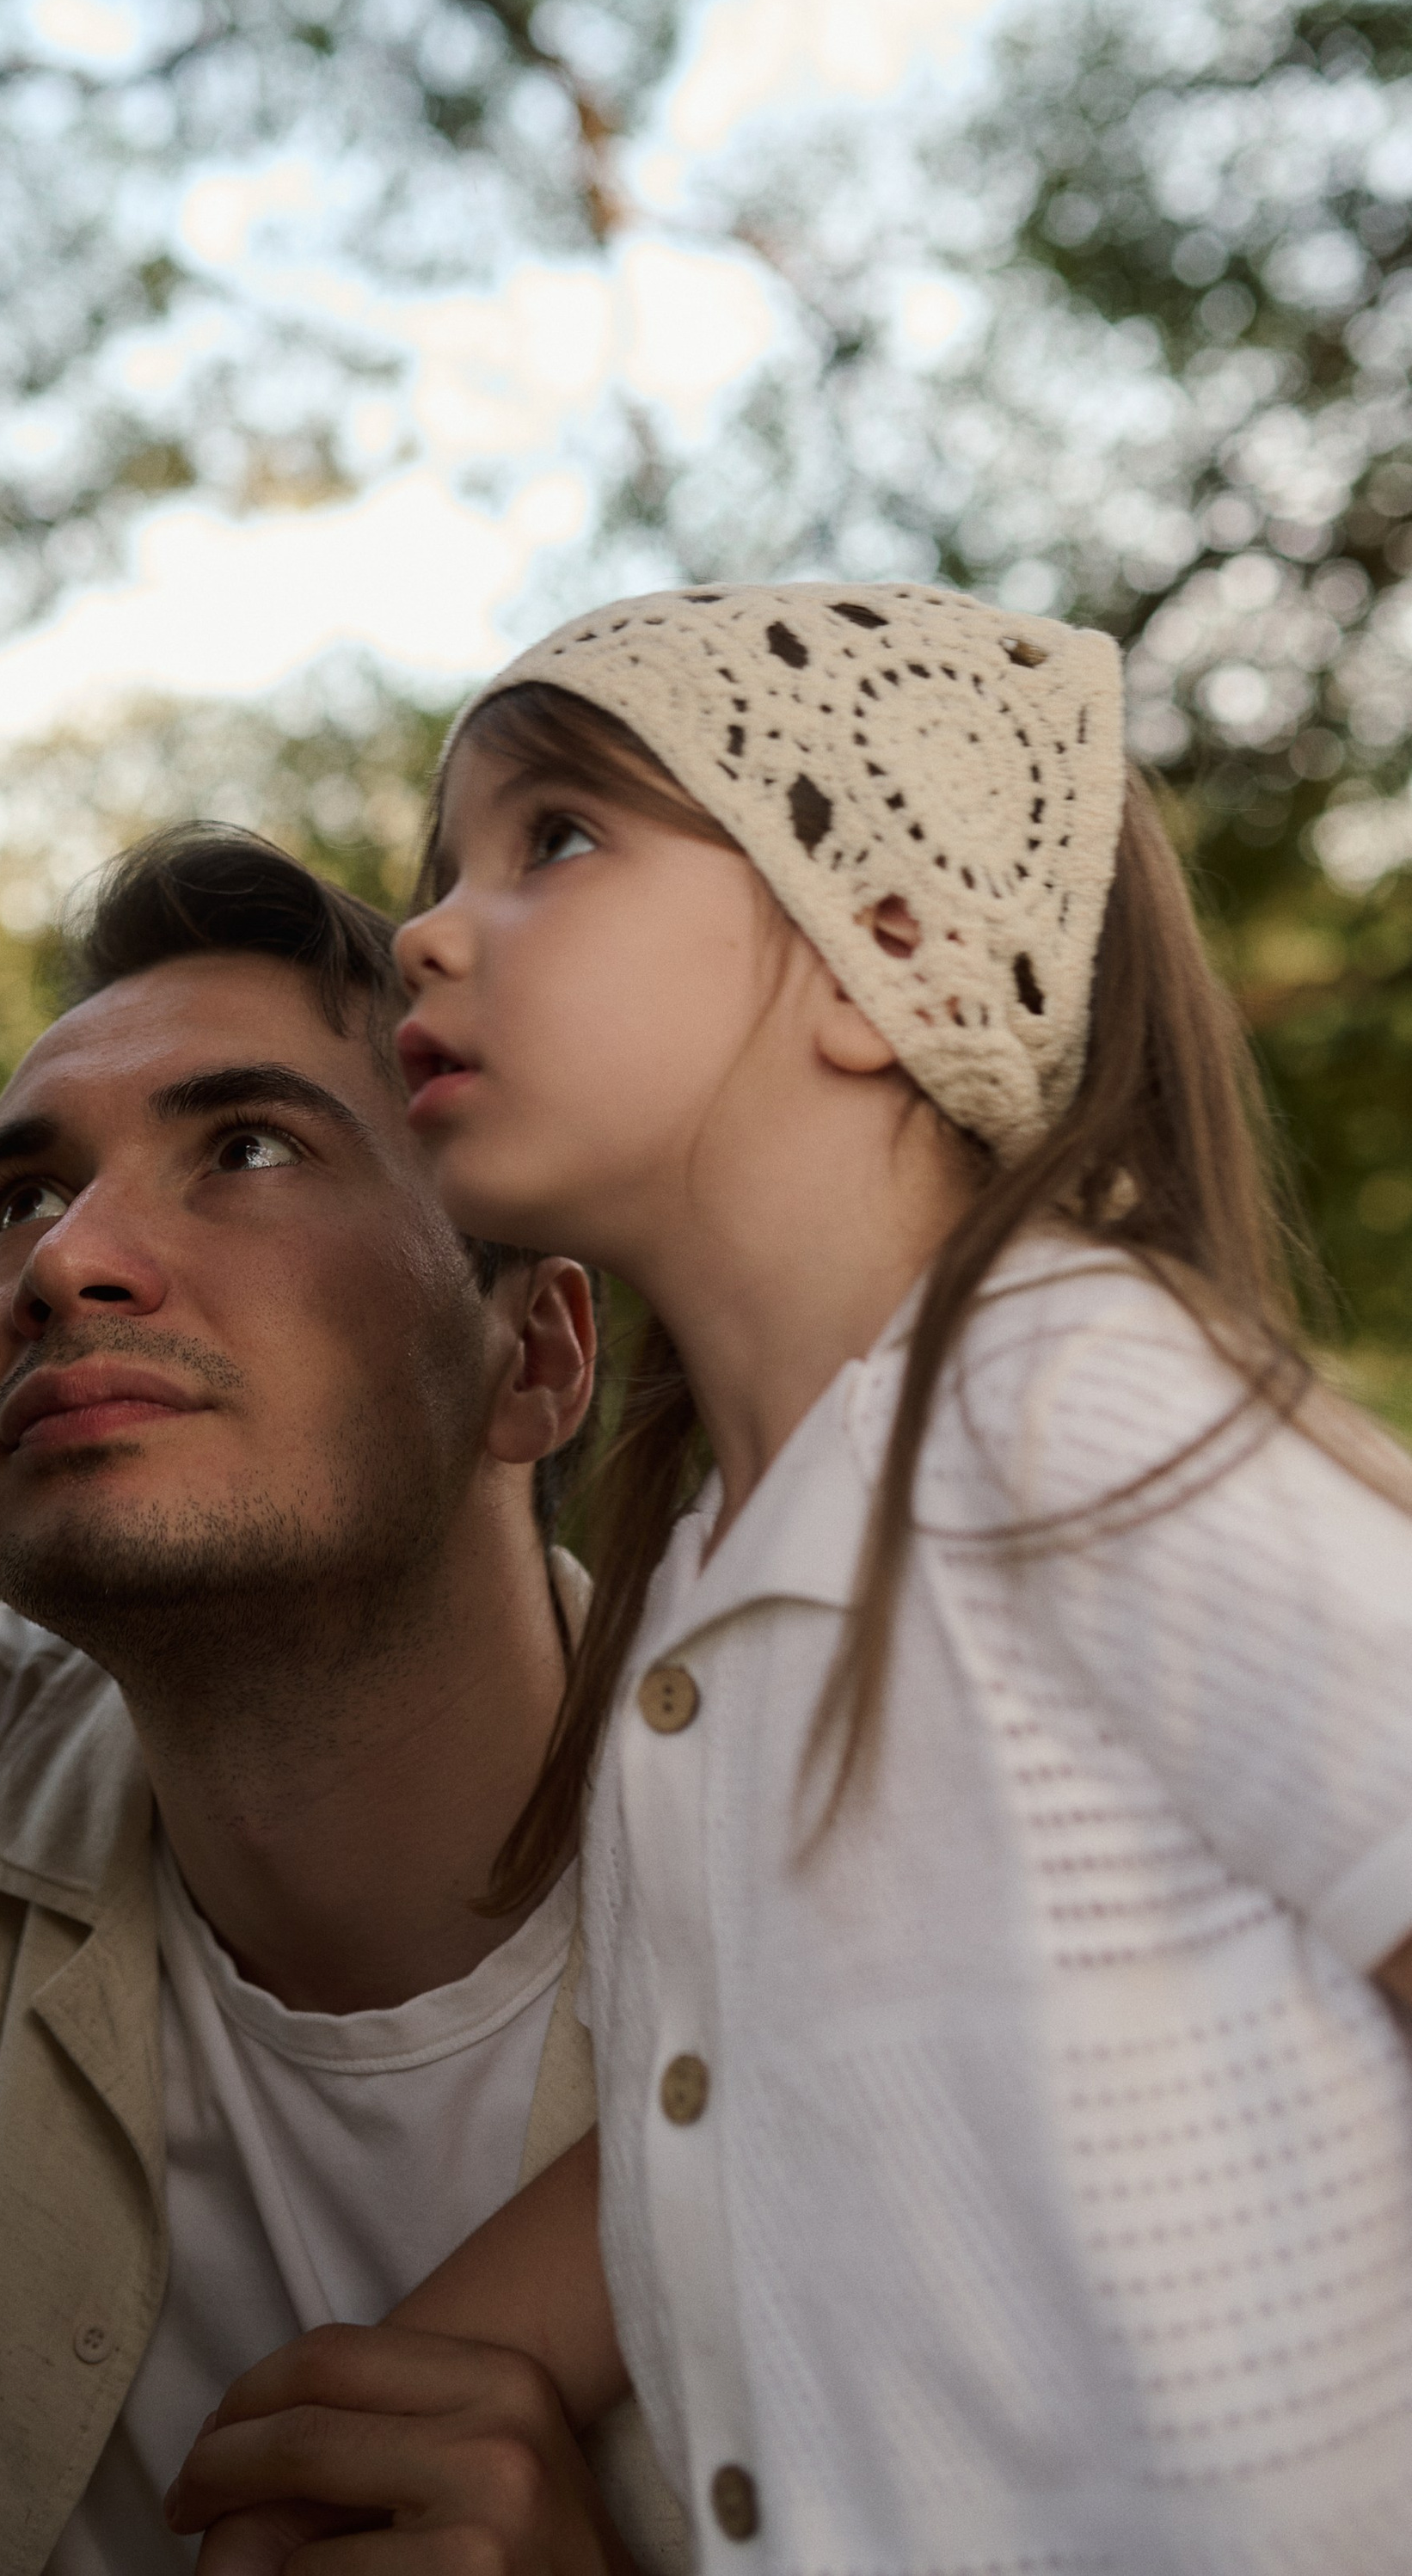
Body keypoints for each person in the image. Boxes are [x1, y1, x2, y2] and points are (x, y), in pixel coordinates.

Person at [172, 584, 1412, 2576]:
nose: (423, 925)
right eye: (444, 863)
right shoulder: (690, 1581)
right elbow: (744, 2117)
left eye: (552, 839)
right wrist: (382, 2394)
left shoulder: (1056, 1409)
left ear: (883, 947)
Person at [0, 825, 691, 2576]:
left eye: (248, 1146)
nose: (66, 1261)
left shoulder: (870, 1898)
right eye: (16, 1199)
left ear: (539, 1353)